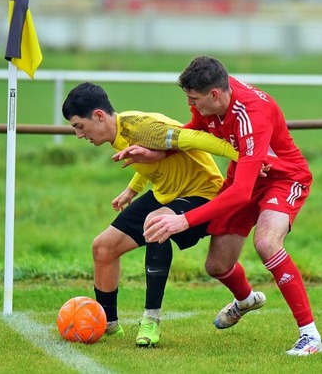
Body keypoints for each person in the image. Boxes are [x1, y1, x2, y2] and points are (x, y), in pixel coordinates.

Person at [142, 56, 322, 356]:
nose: (192, 105)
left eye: (195, 100)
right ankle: (246, 301)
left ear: (215, 95)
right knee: (217, 266)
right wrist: (154, 153)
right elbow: (193, 134)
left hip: (284, 178)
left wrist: (184, 220)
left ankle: (311, 337)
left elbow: (240, 194)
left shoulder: (252, 113)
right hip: (245, 177)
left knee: (266, 243)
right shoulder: (207, 104)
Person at [61, 81, 239, 348]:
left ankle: (151, 320)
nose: (78, 135)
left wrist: (245, 157)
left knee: (156, 223)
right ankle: (106, 323)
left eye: (79, 126)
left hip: (203, 193)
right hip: (168, 192)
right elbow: (153, 162)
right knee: (103, 247)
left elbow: (194, 138)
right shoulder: (119, 133)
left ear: (98, 116)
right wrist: (131, 190)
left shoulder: (143, 128)